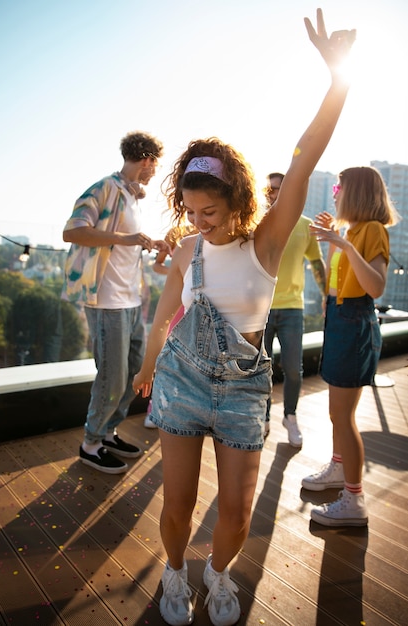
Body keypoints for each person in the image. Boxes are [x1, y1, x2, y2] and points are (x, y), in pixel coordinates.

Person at [133, 10, 356, 626]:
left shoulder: (266, 242)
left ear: (238, 201)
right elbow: (163, 316)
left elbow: (307, 154)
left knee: (234, 512)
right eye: (191, 210)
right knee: (177, 504)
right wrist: (148, 366)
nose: (199, 221)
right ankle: (175, 572)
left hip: (242, 386)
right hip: (180, 380)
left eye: (210, 211)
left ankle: (219, 573)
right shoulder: (186, 250)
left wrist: (337, 79)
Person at [62, 131, 169, 474]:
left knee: (134, 372)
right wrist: (127, 238)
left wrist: (147, 242)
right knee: (112, 376)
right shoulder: (104, 188)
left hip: (130, 301)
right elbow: (73, 231)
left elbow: (123, 244)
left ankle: (108, 431)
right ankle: (90, 444)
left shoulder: (132, 196)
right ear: (147, 159)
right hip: (105, 301)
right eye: (155, 164)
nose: (154, 172)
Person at [301, 166, 399, 526]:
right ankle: (339, 471)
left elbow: (375, 287)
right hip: (340, 320)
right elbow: (334, 284)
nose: (336, 192)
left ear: (356, 192)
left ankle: (354, 501)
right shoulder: (352, 230)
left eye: (340, 187)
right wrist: (334, 239)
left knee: (344, 417)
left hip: (355, 324)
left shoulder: (371, 231)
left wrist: (342, 243)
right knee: (336, 414)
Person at [263, 172, 326, 446]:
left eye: (276, 189)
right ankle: (261, 417)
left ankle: (290, 416)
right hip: (260, 309)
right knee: (259, 369)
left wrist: (327, 295)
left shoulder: (306, 226)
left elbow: (317, 262)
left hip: (292, 309)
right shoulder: (259, 223)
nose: (271, 194)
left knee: (292, 369)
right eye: (268, 190)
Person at [144, 222, 197, 429]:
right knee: (167, 355)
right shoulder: (174, 233)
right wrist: (176, 273)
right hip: (175, 302)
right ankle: (154, 408)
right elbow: (157, 265)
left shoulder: (207, 229)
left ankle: (186, 410)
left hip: (195, 303)